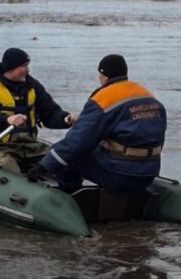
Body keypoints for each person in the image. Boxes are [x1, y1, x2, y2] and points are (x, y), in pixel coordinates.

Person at [27, 54, 167, 193]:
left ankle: (70, 197)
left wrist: (44, 167)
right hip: (150, 172)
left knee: (66, 157)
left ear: (103, 75)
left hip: (122, 175)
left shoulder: (103, 100)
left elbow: (77, 142)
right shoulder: (147, 96)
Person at [0, 48, 76, 173]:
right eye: (23, 66)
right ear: (10, 67)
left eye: (27, 66)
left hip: (29, 146)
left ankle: (67, 188)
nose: (27, 70)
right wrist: (7, 119)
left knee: (60, 160)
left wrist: (66, 119)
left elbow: (50, 113)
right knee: (8, 164)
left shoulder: (33, 86)